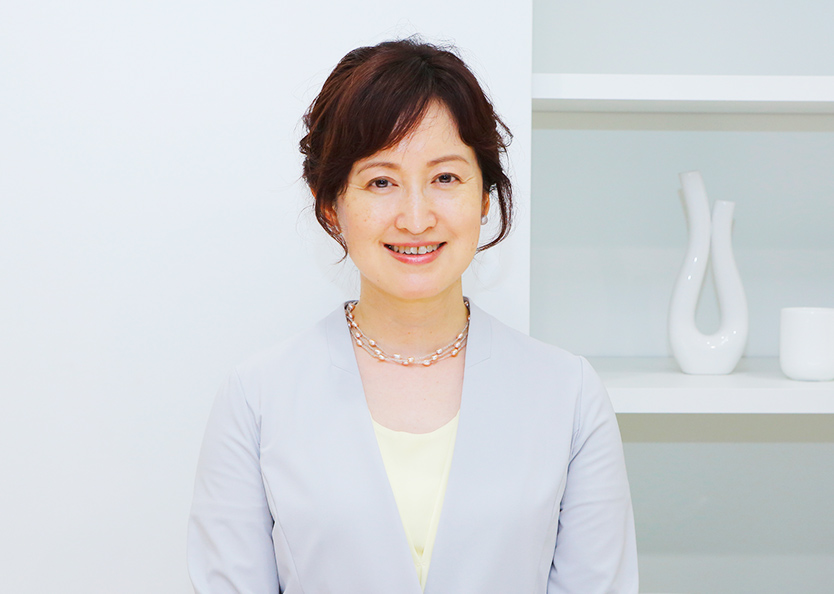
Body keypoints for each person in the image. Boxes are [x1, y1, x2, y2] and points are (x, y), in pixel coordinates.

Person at [187, 38, 638, 593]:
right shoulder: (255, 399)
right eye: (381, 182)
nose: (416, 218)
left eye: (445, 178)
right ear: (331, 205)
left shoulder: (569, 394)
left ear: (485, 196)